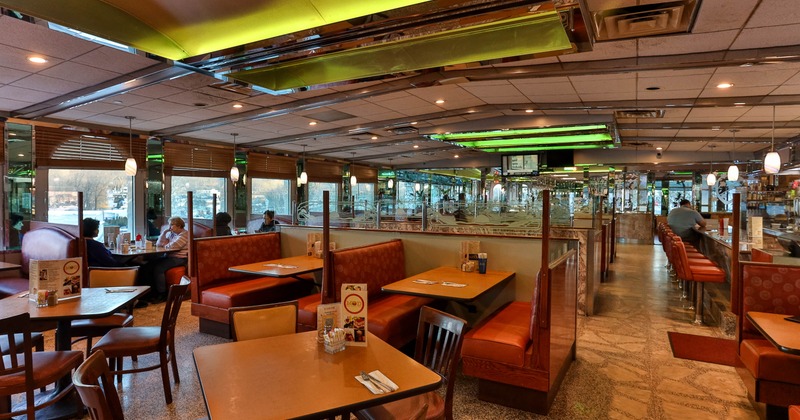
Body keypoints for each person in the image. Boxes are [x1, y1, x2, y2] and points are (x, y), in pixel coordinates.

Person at [141, 216, 188, 303]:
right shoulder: (172, 234)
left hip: (180, 258)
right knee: (148, 265)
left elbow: (174, 246)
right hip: (169, 256)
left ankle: (162, 294)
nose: (170, 227)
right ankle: (149, 292)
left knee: (159, 268)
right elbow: (159, 244)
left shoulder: (185, 234)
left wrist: (166, 245)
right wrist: (164, 232)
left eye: (172, 225)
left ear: (179, 225)